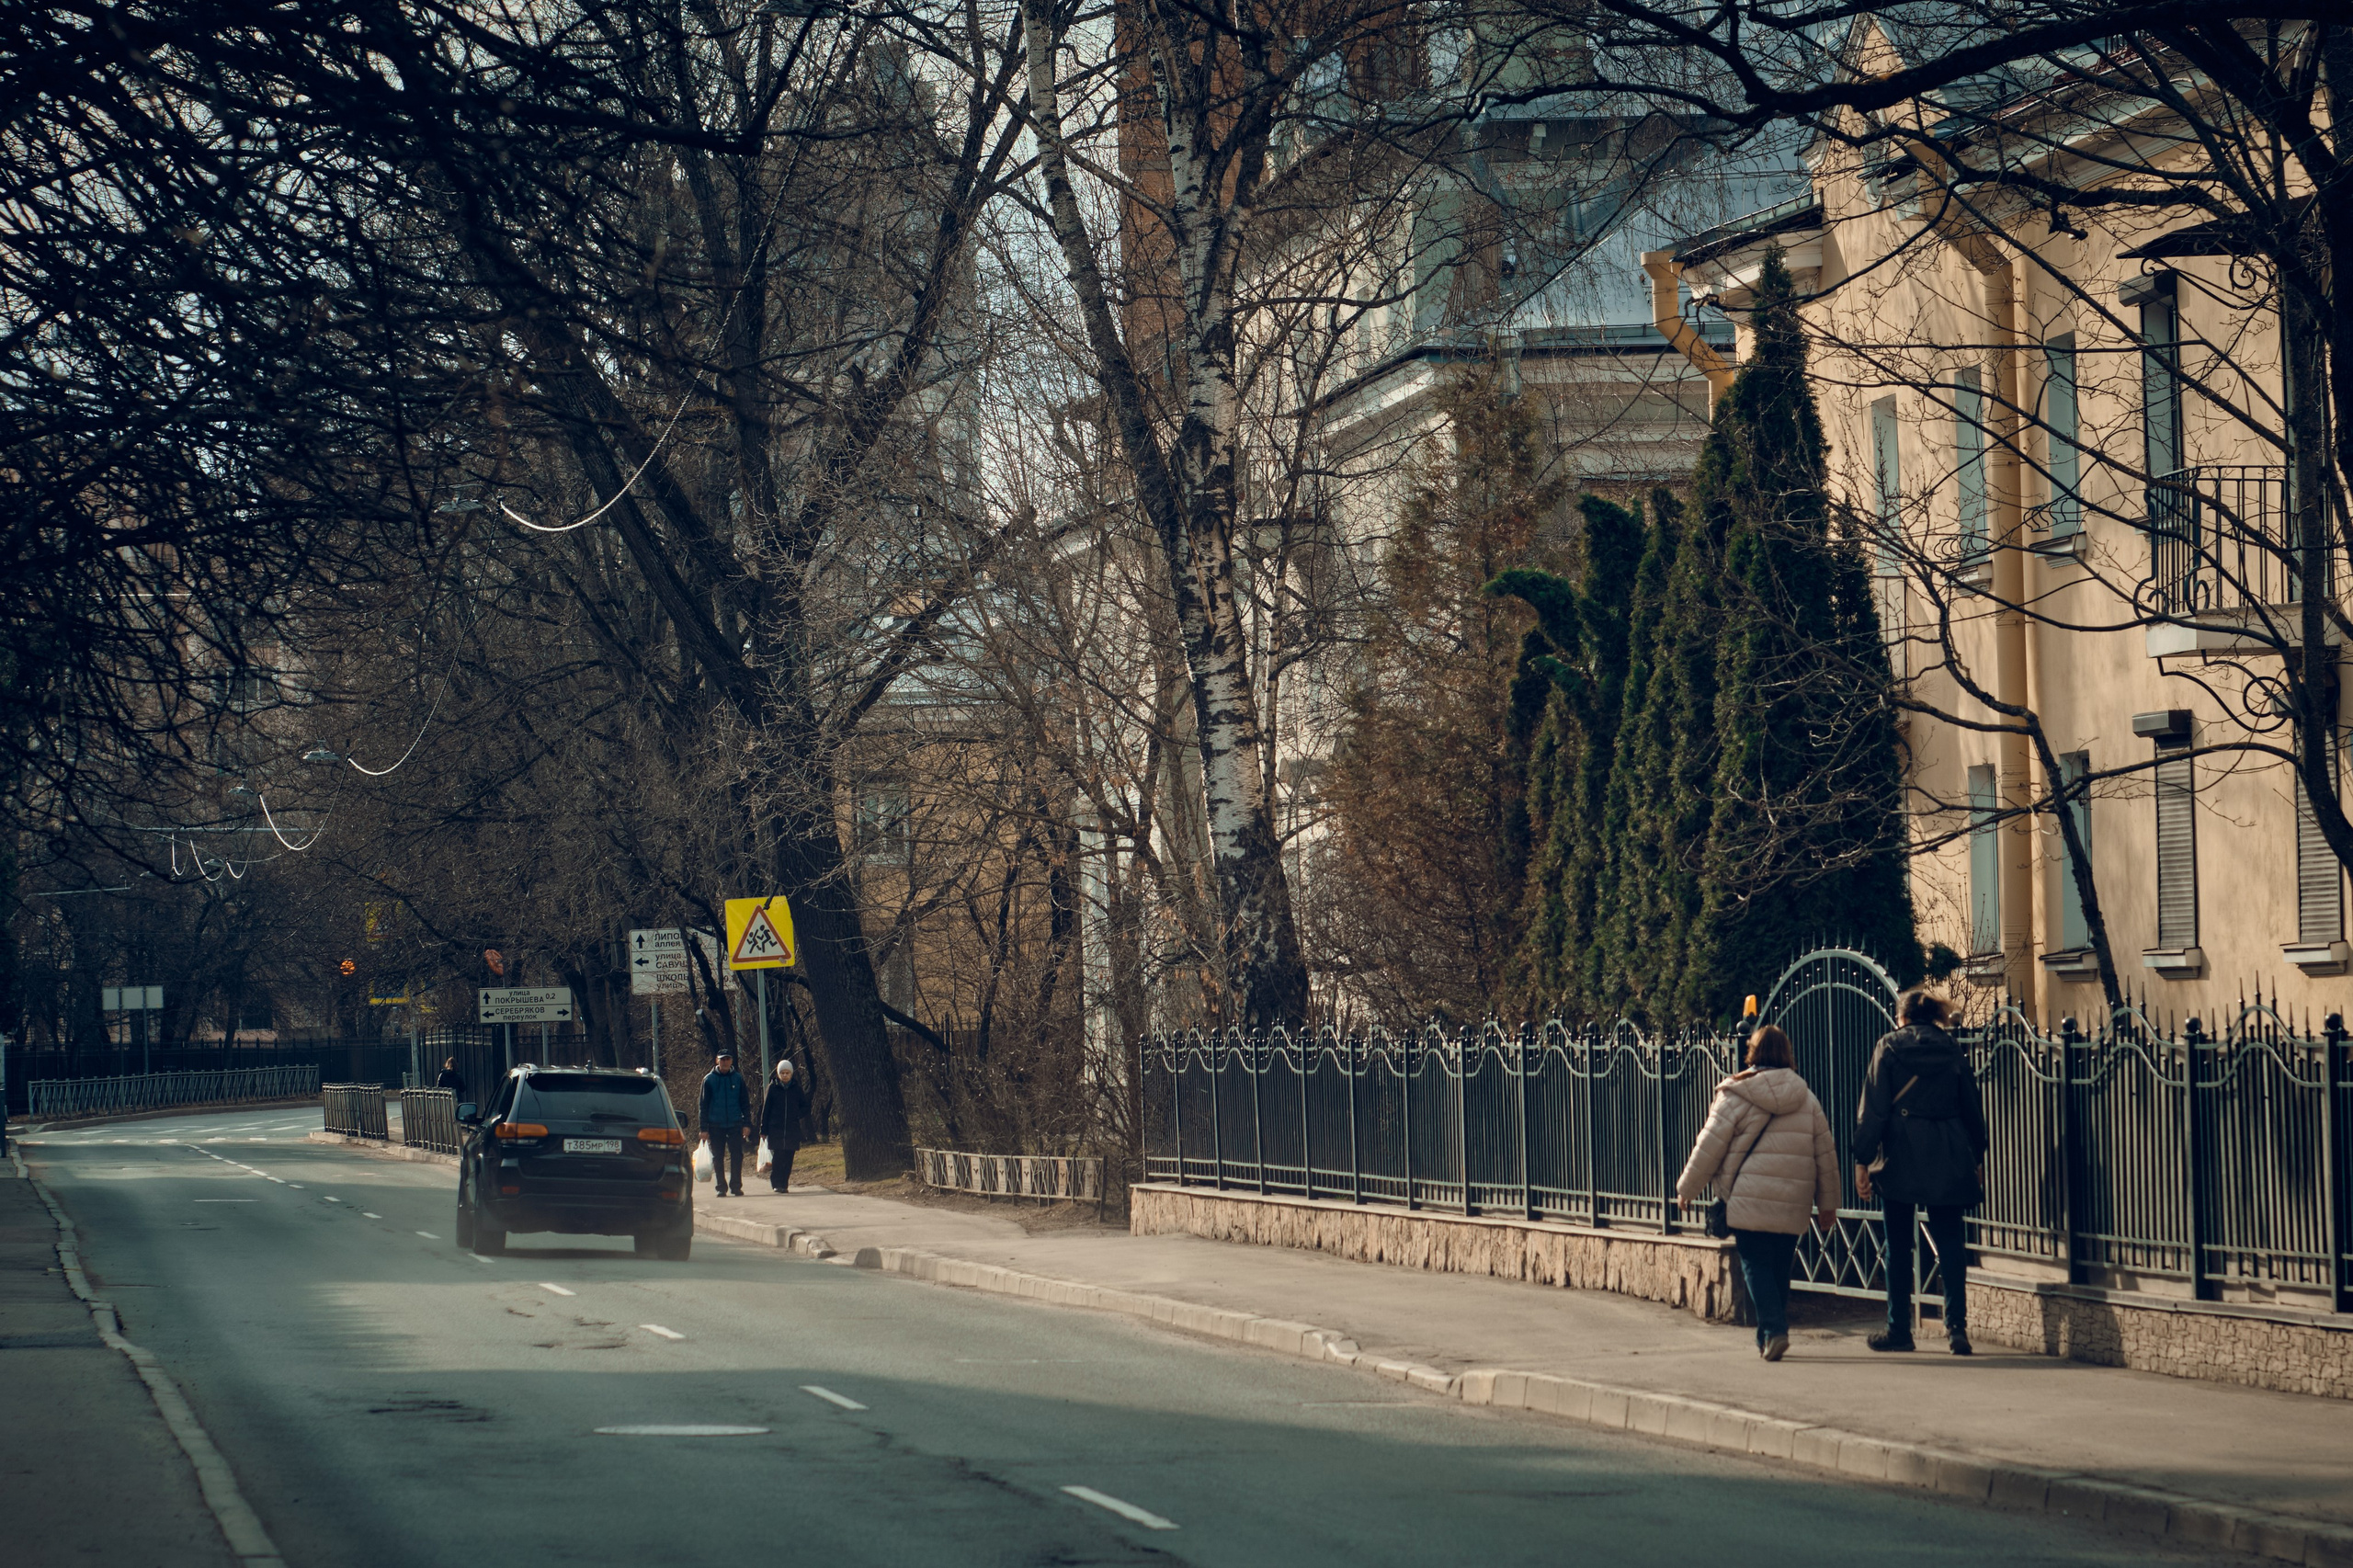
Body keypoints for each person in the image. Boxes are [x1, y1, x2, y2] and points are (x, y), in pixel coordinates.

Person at [1675, 1025, 1840, 1363]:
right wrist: (1828, 1205)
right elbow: (1826, 1154)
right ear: (1787, 1053)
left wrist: (1687, 1188)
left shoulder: (1736, 1094)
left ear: (1752, 1052)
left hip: (1747, 1198)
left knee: (1754, 1265)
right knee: (1779, 1266)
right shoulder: (1806, 1098)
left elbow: (1709, 1146)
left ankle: (1775, 1331)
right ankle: (1768, 1335)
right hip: (1794, 1199)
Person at [1854, 988, 1989, 1356]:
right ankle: (1957, 1328)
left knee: (1897, 1245)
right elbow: (1971, 1106)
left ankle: (1899, 1329)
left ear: (1902, 1018)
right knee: (1950, 1242)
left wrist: (1862, 1159)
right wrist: (1977, 1156)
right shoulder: (1950, 1049)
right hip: (1947, 1151)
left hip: (1899, 1154)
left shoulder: (1889, 1046)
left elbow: (1875, 1108)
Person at [699, 1051, 752, 1198]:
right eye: (722, 1059)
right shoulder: (709, 1080)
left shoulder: (738, 1079)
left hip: (735, 1123)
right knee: (718, 1157)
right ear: (717, 1061)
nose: (725, 1062)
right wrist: (703, 1128)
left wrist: (747, 1124)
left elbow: (745, 1103)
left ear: (732, 1061)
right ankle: (721, 1187)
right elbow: (703, 1105)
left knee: (737, 1155)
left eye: (728, 1059)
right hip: (715, 1125)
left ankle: (736, 1186)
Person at [758, 1058, 811, 1194]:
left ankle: (784, 1183)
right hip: (775, 1128)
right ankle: (776, 1183)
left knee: (788, 1157)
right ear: (778, 1074)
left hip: (792, 1128)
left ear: (792, 1074)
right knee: (778, 1157)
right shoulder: (773, 1088)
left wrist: (797, 1114)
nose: (785, 1075)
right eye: (783, 1073)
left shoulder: (796, 1089)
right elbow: (766, 1110)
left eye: (788, 1073)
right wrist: (763, 1129)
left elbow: (805, 1106)